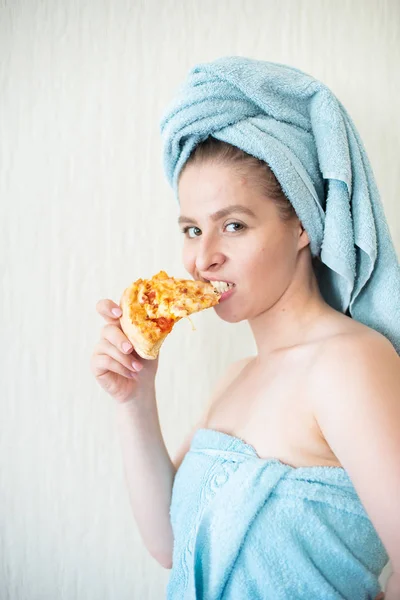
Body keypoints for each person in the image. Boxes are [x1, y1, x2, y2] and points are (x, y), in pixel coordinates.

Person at [91, 58, 400, 599]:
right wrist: (135, 399)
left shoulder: (350, 364)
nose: (202, 259)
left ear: (303, 223)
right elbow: (170, 546)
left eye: (233, 225)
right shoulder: (237, 378)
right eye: (192, 229)